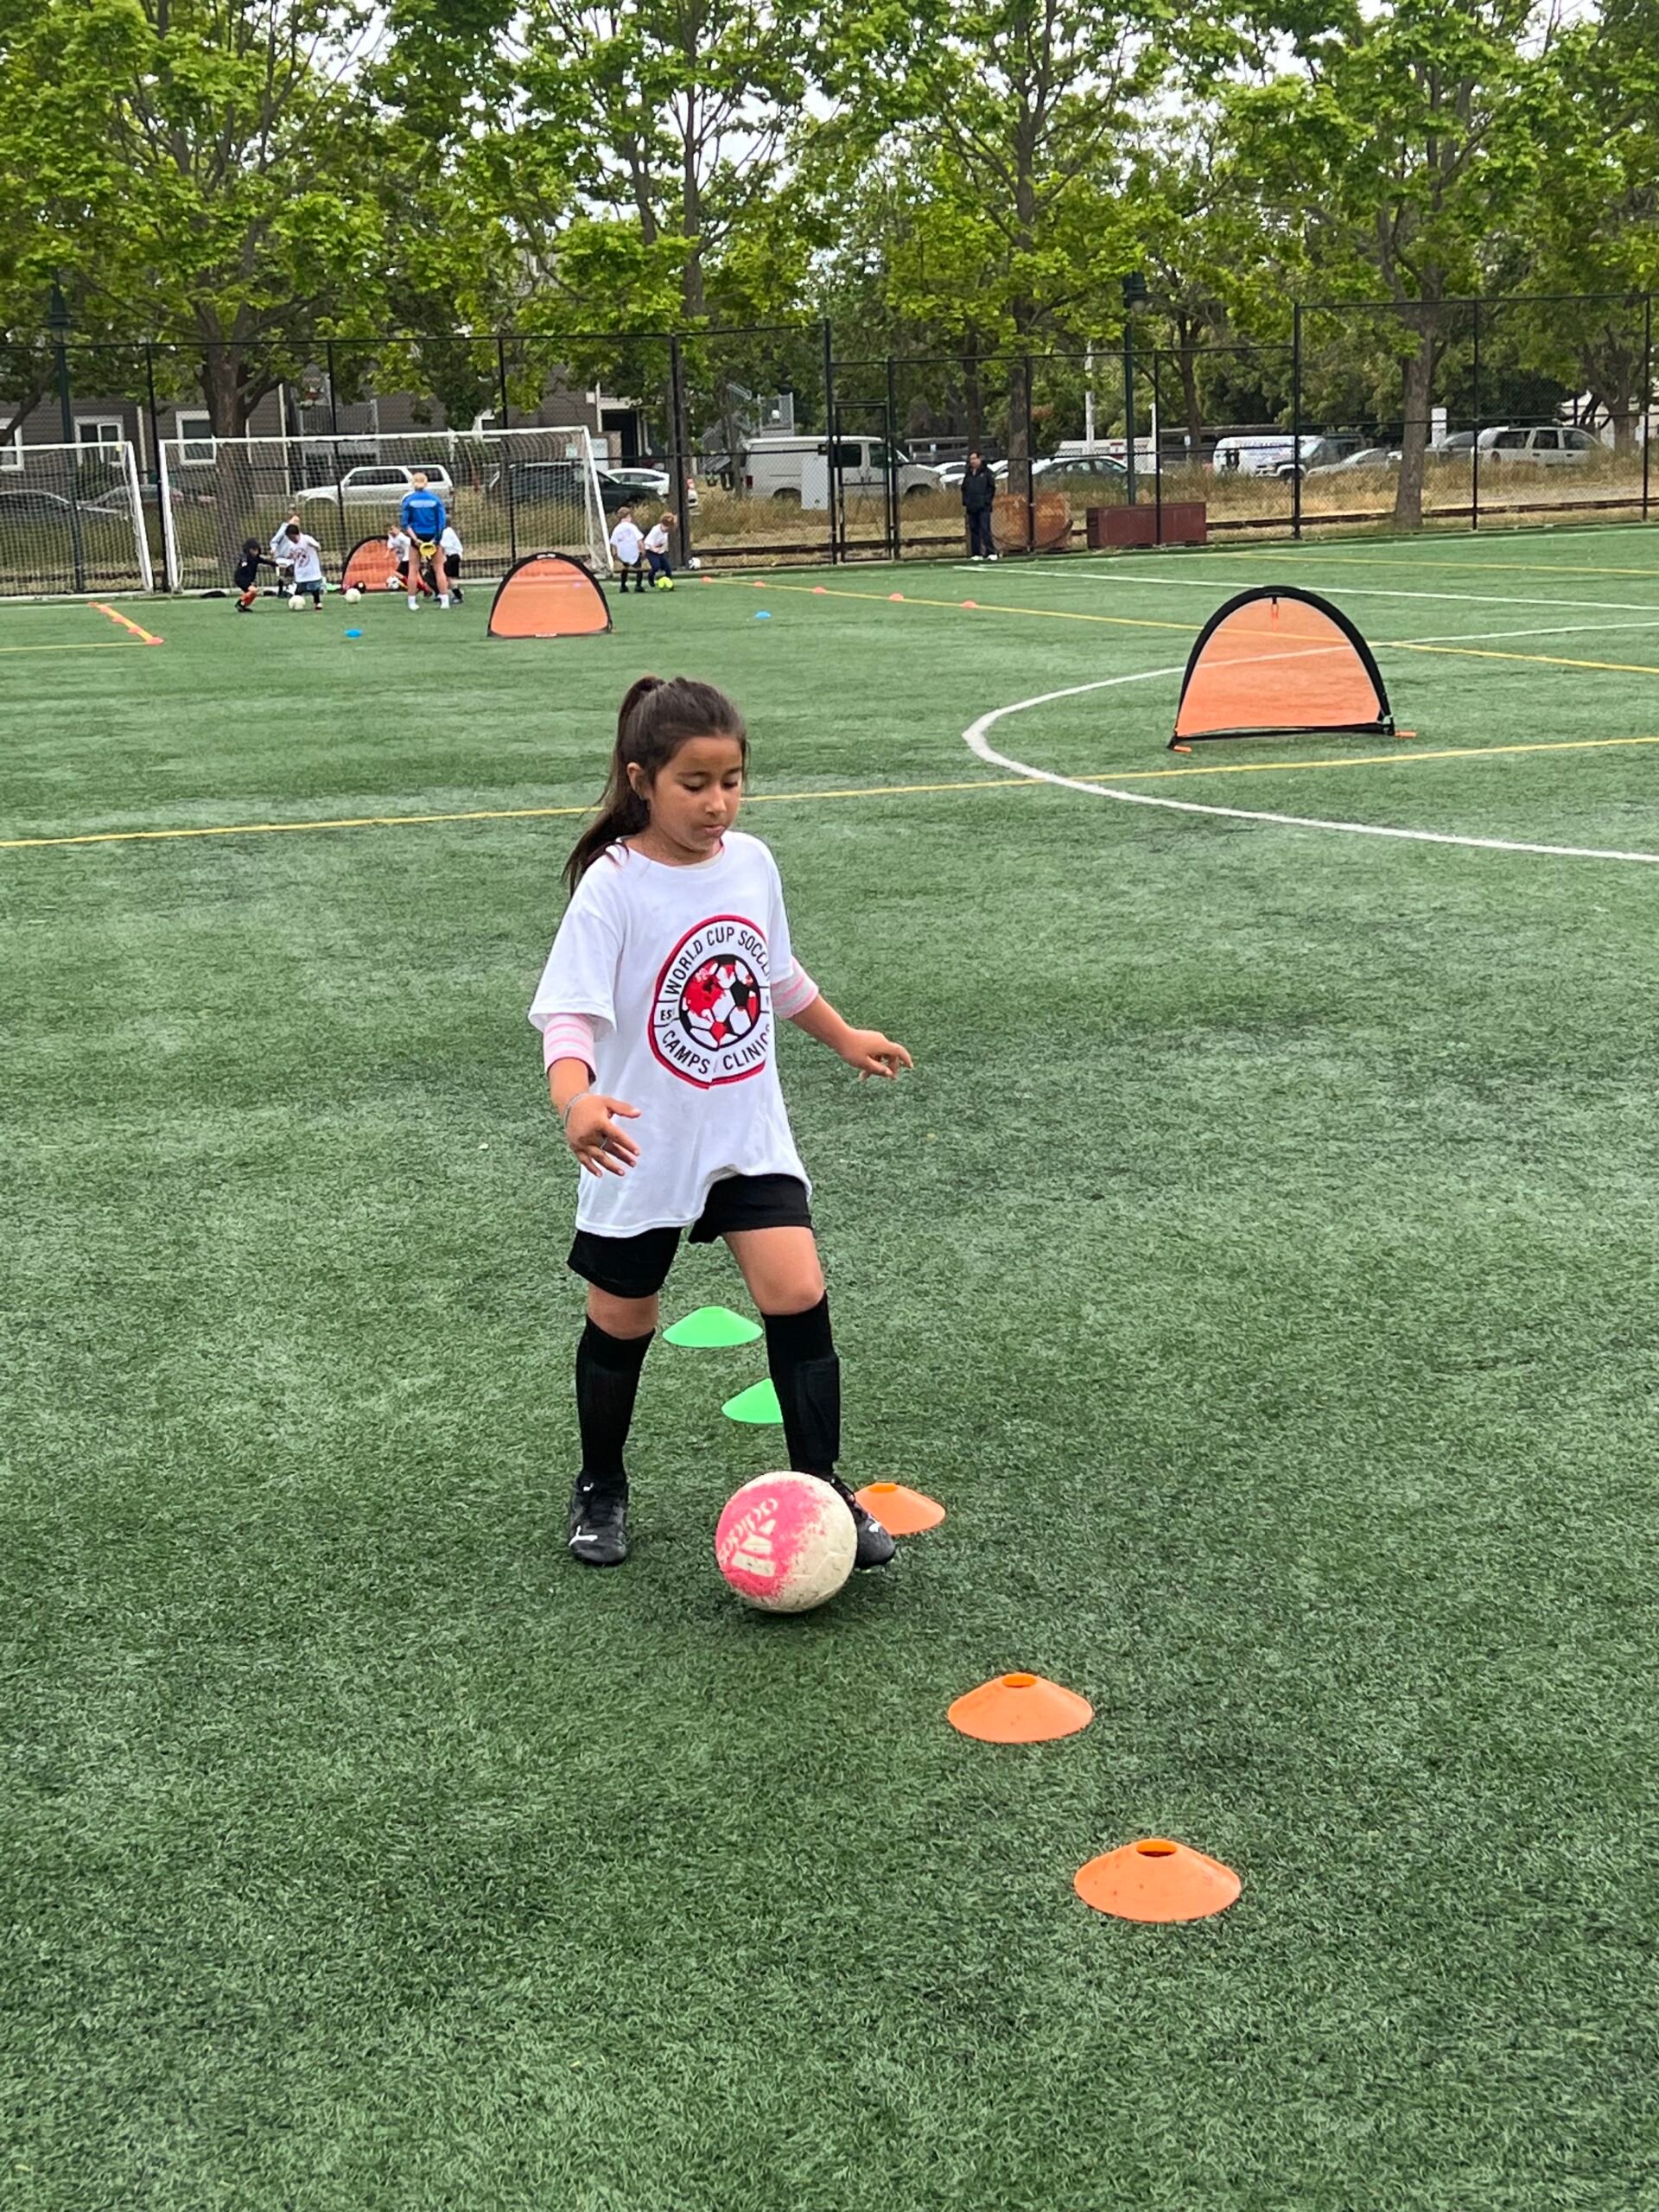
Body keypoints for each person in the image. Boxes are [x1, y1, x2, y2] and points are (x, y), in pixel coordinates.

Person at [528, 675, 913, 1571]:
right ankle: (601, 1484)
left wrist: (843, 1035)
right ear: (642, 781)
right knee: (623, 1316)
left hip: (745, 1132)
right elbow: (569, 1017)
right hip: (640, 1142)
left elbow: (775, 974)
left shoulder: (752, 863)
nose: (717, 803)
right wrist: (576, 1100)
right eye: (694, 783)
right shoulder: (613, 886)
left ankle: (822, 1485)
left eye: (732, 781)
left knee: (798, 1290)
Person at [398, 471, 450, 609]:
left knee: (413, 570)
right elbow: (441, 522)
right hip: (433, 535)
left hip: (417, 536)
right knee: (439, 569)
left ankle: (412, 602)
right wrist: (435, 539)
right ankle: (445, 601)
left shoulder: (408, 501)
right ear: (426, 483)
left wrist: (415, 539)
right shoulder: (435, 499)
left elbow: (405, 524)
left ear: (412, 484)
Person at [280, 521, 326, 610]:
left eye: (293, 537)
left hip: (311, 569)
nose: (292, 540)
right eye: (290, 538)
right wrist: (290, 557)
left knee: (314, 588)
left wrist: (315, 546)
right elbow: (291, 555)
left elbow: (318, 546)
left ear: (297, 534)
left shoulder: (306, 539)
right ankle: (295, 604)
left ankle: (317, 602)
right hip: (301, 570)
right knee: (299, 589)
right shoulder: (290, 544)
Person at [961, 450, 997, 560]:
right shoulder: (968, 473)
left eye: (974, 459)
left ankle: (990, 552)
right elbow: (964, 488)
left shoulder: (986, 472)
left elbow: (991, 488)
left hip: (983, 507)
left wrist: (986, 501)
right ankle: (976, 553)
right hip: (972, 507)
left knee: (985, 529)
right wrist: (966, 502)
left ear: (979, 459)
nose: (972, 461)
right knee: (974, 530)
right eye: (971, 459)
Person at [608, 505, 646, 593]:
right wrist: (642, 549)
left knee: (625, 567)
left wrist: (614, 553)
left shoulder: (617, 528)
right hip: (633, 551)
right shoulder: (632, 527)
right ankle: (638, 586)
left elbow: (613, 542)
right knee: (639, 568)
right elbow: (639, 539)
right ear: (628, 516)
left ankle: (623, 586)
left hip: (622, 552)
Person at [232, 538, 276, 612]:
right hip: (240, 578)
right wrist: (244, 563)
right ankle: (239, 603)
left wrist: (276, 564)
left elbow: (266, 562)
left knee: (253, 594)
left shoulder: (257, 558)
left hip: (248, 579)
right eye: (253, 550)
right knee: (253, 590)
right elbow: (243, 559)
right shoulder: (245, 556)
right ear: (248, 550)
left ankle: (243, 606)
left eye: (257, 550)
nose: (255, 552)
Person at [269, 512, 302, 597]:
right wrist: (273, 549)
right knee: (285, 573)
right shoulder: (284, 529)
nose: (296, 523)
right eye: (294, 521)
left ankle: (289, 590)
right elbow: (274, 541)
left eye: (298, 521)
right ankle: (282, 589)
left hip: (291, 559)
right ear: (289, 520)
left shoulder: (297, 533)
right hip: (281, 558)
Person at [642, 512, 676, 587]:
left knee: (668, 568)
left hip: (660, 552)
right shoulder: (656, 530)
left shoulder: (666, 532)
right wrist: (654, 549)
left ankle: (668, 582)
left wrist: (662, 548)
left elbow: (664, 542)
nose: (667, 529)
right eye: (666, 527)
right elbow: (647, 542)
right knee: (656, 566)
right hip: (650, 551)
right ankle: (650, 577)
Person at [439, 520, 465, 604]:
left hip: (452, 556)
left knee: (448, 577)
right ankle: (456, 592)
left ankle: (458, 595)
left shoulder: (446, 532)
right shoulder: (449, 531)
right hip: (454, 555)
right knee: (448, 577)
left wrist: (442, 557)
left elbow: (442, 546)